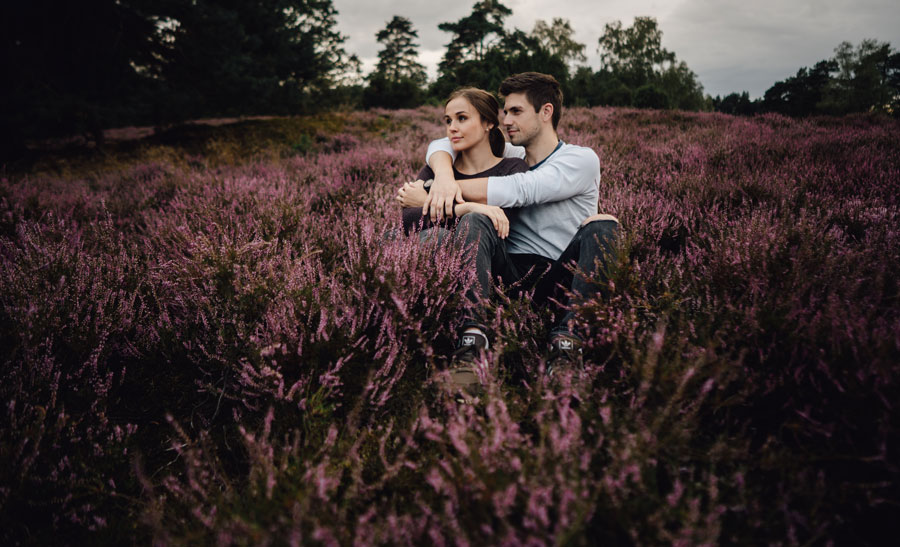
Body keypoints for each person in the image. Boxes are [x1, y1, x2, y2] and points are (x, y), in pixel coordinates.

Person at [408, 72, 620, 388]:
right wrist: (442, 177)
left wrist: (440, 191)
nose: (506, 120)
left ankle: (567, 346)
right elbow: (443, 143)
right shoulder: (513, 154)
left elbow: (522, 189)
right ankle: (471, 344)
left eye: (516, 111)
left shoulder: (580, 159)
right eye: (505, 111)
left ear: (546, 112)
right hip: (508, 270)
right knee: (476, 220)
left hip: (560, 275)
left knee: (604, 226)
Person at [396, 87, 527, 237]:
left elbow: (498, 222)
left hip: (492, 258)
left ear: (488, 123)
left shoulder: (512, 168)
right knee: (436, 236)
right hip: (437, 255)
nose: (452, 128)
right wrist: (467, 208)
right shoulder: (436, 170)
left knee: (469, 223)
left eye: (462, 118)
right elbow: (407, 220)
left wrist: (428, 202)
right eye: (448, 121)